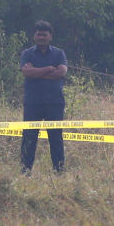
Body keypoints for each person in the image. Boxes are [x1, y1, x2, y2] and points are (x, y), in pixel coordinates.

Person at [20, 20, 68, 173]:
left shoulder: (59, 53)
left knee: (55, 138)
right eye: (38, 34)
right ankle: (25, 171)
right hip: (32, 103)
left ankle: (59, 171)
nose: (41, 37)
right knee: (29, 137)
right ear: (34, 36)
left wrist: (36, 73)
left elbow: (61, 73)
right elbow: (27, 72)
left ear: (50, 37)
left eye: (44, 35)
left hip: (54, 102)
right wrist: (48, 69)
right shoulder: (27, 53)